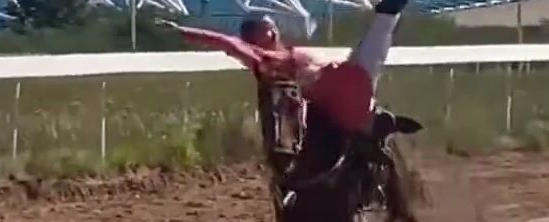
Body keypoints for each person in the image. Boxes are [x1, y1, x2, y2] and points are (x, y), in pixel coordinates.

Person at [159, 0, 409, 163]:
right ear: (258, 36)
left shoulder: (277, 54)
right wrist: (184, 32)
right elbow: (227, 43)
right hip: (349, 95)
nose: (275, 29)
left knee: (385, 16)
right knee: (385, 20)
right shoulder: (262, 58)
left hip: (349, 74)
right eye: (269, 28)